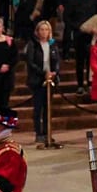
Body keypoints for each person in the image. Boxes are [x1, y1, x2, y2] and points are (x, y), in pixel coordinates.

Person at [25, 19, 61, 147]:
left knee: (48, 108)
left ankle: (47, 132)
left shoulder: (52, 44)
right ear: (37, 31)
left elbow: (56, 60)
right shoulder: (33, 44)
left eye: (46, 29)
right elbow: (30, 62)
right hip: (38, 79)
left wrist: (54, 72)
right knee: (38, 108)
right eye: (42, 29)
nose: (44, 32)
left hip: (50, 80)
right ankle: (39, 133)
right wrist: (43, 73)